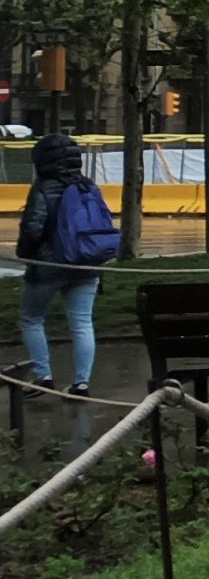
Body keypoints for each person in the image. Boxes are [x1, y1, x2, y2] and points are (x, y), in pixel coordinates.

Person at [15, 133, 100, 396]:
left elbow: (33, 227)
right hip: (86, 263)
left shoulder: (43, 188)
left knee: (32, 318)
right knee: (83, 323)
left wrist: (25, 254)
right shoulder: (89, 186)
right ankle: (81, 383)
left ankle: (43, 377)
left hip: (49, 264)